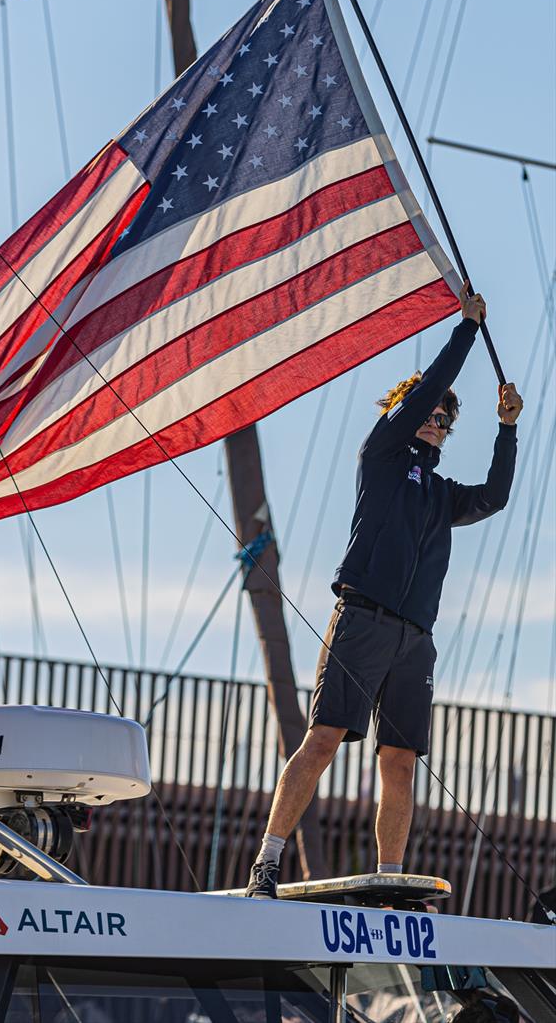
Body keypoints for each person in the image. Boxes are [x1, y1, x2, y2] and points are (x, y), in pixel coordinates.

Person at [246, 284, 524, 899]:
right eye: (429, 409)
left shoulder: (442, 492)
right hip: (363, 620)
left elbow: (495, 497)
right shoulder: (382, 453)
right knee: (323, 741)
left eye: (448, 417)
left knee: (399, 761)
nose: (438, 418)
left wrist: (506, 430)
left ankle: (390, 875)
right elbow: (425, 391)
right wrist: (466, 331)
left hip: (414, 641)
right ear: (404, 411)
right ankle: (266, 861)